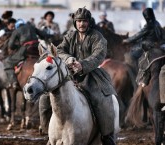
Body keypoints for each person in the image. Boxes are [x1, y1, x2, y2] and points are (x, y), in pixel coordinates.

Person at [40, 7, 119, 145]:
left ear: (89, 22)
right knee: (45, 98)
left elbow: (98, 56)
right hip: (69, 74)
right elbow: (59, 50)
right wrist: (69, 59)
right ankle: (48, 133)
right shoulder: (70, 35)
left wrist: (83, 65)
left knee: (102, 101)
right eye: (79, 21)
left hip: (92, 76)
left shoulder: (97, 37)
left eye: (84, 21)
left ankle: (107, 136)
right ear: (75, 22)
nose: (81, 24)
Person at [3, 19, 52, 88]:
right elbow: (44, 35)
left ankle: (13, 81)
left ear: (17, 25)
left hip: (26, 49)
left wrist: (17, 46)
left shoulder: (16, 30)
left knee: (7, 61)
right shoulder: (31, 27)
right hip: (38, 48)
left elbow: (10, 45)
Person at [123, 7, 164, 87]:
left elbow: (138, 35)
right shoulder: (157, 23)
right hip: (157, 44)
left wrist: (126, 41)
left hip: (148, 45)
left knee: (131, 55)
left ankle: (136, 74)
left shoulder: (148, 25)